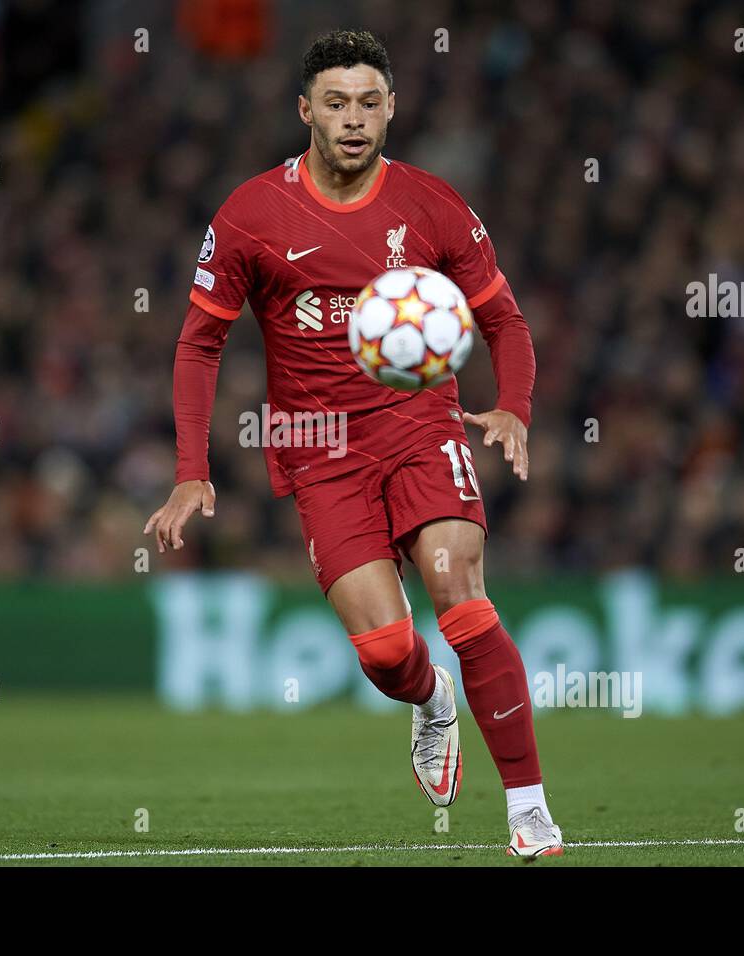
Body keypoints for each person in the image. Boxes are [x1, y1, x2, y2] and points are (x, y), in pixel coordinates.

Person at [144, 29, 561, 857]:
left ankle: (528, 808)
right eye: (335, 103)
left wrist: (512, 406)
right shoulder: (252, 215)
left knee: (463, 596)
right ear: (305, 111)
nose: (354, 118)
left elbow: (504, 319)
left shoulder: (433, 204)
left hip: (420, 426)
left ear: (393, 107)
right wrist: (190, 472)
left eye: (370, 101)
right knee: (383, 650)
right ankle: (429, 698)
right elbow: (199, 344)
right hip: (320, 448)